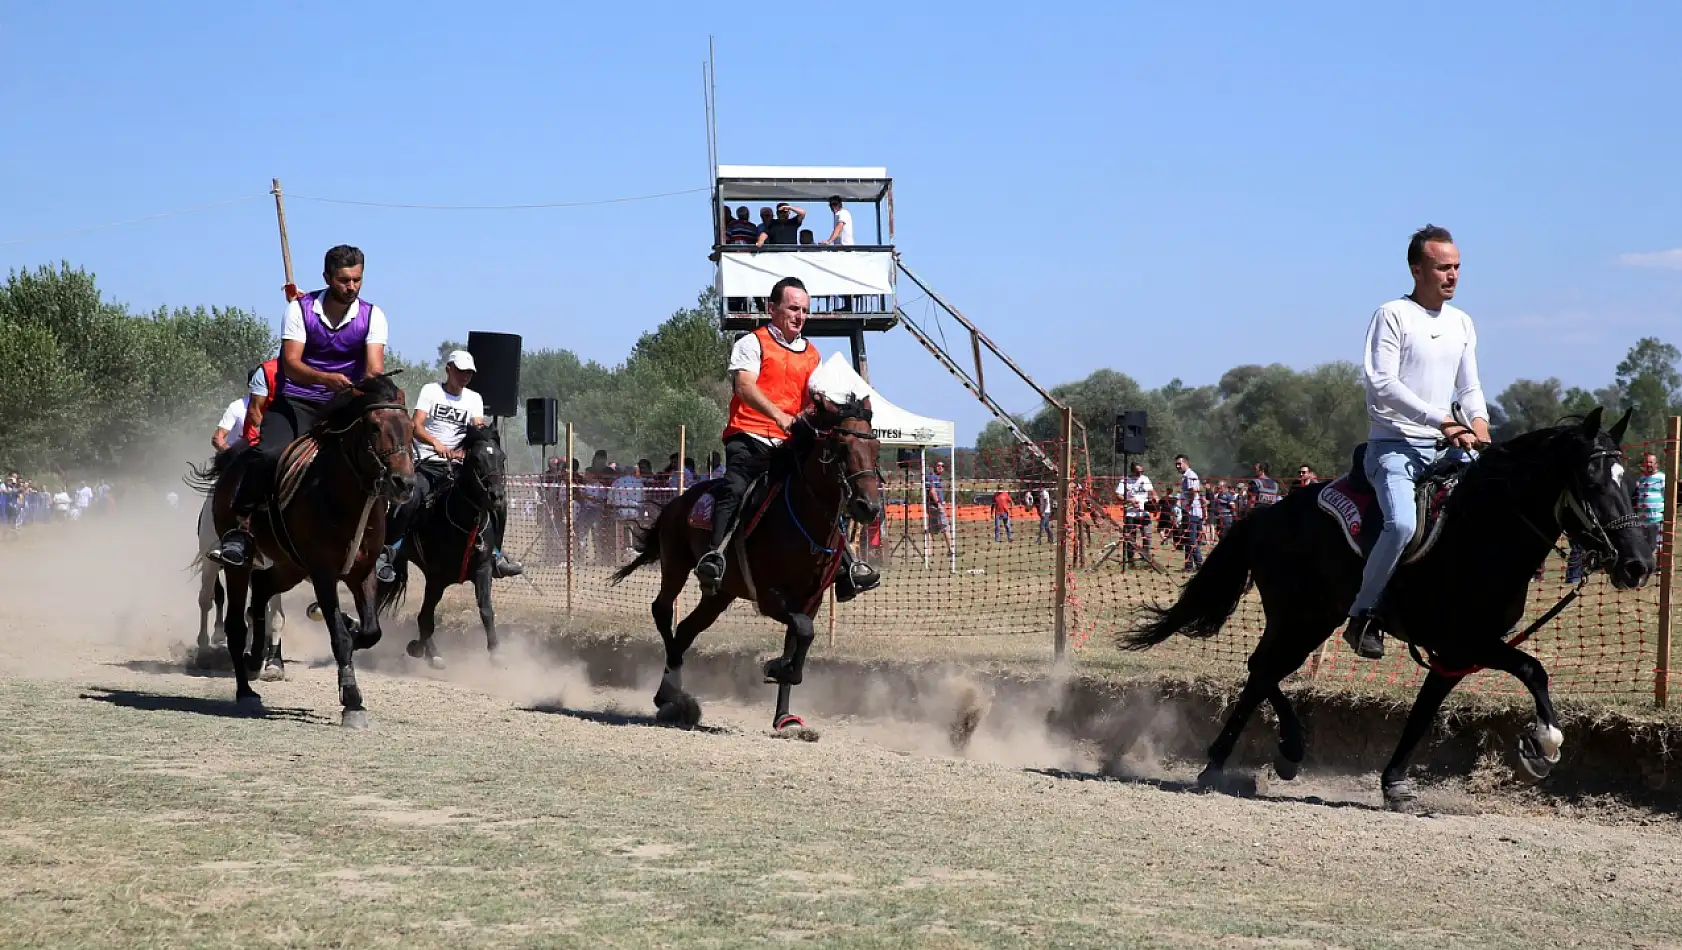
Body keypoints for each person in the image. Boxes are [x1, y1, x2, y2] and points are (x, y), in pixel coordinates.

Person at [1343, 225, 1490, 660]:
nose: (1453, 276)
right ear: (1416, 269)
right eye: (1443, 267)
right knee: (1403, 525)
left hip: (1448, 447)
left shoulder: (1462, 322)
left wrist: (1478, 421)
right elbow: (1382, 384)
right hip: (1393, 446)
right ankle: (1363, 614)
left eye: (1457, 267)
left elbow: (1470, 386)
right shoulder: (1391, 315)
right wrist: (1442, 420)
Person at [694, 276, 879, 600]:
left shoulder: (811, 354)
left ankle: (847, 565)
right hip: (749, 435)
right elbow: (745, 387)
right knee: (735, 488)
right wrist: (779, 415)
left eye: (805, 310)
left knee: (822, 490)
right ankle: (715, 557)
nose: (800, 315)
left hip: (788, 441)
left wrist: (838, 413)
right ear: (772, 308)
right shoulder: (752, 343)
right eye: (793, 308)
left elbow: (815, 397)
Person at [209, 245, 388, 567]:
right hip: (297, 402)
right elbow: (290, 364)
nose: (351, 287)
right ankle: (242, 530)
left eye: (357, 280)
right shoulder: (298, 310)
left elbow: (374, 367)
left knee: (389, 456)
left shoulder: (373, 315)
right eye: (344, 280)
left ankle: (383, 544)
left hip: (346, 408)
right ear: (327, 278)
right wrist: (325, 378)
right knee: (267, 453)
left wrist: (375, 387)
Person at [376, 350, 522, 582]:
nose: (465, 376)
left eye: (469, 373)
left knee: (497, 501)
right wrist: (436, 444)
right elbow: (416, 425)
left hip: (460, 466)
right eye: (461, 371)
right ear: (448, 370)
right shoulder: (431, 391)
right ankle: (387, 554)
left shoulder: (474, 399)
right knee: (410, 500)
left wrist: (478, 442)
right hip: (428, 462)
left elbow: (477, 431)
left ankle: (496, 555)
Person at [1119, 462, 1156, 565]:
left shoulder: (1145, 479)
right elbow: (1118, 495)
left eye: (1141, 471)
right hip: (1130, 514)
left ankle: (1146, 559)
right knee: (1131, 539)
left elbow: (1152, 491)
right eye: (1137, 472)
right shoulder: (1125, 480)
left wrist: (1155, 498)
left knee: (1147, 537)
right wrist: (1130, 500)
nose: (1140, 474)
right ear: (1132, 470)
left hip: (1144, 513)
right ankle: (1130, 561)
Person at [1174, 454, 1205, 571]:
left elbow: (1193, 492)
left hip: (1192, 512)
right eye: (1176, 464)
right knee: (1188, 538)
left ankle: (1200, 564)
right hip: (1190, 511)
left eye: (1179, 464)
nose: (1177, 466)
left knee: (1191, 540)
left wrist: (1187, 505)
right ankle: (1188, 566)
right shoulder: (1185, 476)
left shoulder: (1190, 475)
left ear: (1186, 463)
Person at [1634, 452, 1666, 556]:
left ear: (1656, 464)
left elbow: (1667, 496)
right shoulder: (1641, 479)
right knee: (1644, 546)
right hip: (1642, 520)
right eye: (1647, 462)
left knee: (1659, 545)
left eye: (1651, 462)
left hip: (1657, 518)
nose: (1649, 464)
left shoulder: (1662, 478)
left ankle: (1661, 568)